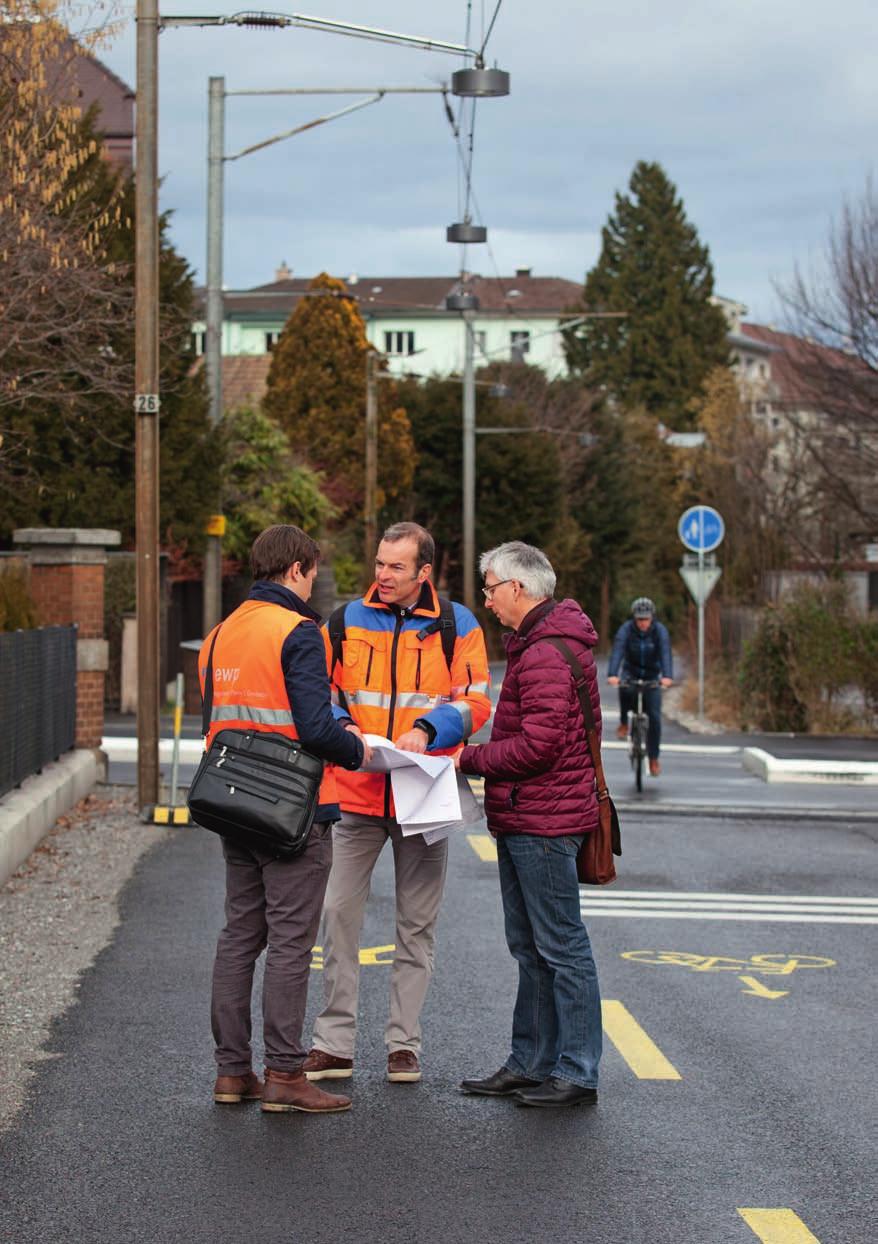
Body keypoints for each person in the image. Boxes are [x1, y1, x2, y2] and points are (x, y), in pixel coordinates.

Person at [303, 521, 491, 1086]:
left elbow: (478, 702)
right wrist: (344, 732)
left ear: (424, 572)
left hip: (423, 795)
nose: (383, 575)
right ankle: (334, 1044)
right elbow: (326, 694)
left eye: (396, 567)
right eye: (380, 564)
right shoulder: (342, 621)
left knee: (417, 925)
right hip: (356, 792)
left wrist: (429, 730)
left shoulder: (458, 626)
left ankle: (402, 1045)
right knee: (337, 915)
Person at [200, 524, 370, 1115]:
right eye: (313, 570)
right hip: (293, 809)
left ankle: (231, 1073)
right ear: (297, 568)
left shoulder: (220, 635)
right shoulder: (298, 631)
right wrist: (360, 749)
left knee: (239, 936)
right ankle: (284, 1075)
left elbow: (215, 724)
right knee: (293, 942)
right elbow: (316, 726)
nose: (314, 580)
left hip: (233, 803)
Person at [455, 541, 603, 1108]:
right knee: (532, 947)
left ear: (517, 588)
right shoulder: (538, 644)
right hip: (530, 816)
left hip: (544, 821)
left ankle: (577, 1070)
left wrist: (466, 760)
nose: (488, 601)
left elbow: (538, 747)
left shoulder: (545, 652)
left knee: (560, 947)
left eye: (491, 588)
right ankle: (533, 1062)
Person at [607, 596, 673, 777]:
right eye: (639, 619)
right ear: (634, 618)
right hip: (632, 673)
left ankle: (653, 759)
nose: (643, 623)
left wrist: (667, 676)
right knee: (624, 688)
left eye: (646, 618)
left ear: (652, 617)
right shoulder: (626, 630)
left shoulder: (659, 631)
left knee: (655, 718)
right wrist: (612, 674)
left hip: (652, 676)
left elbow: (665, 653)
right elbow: (618, 650)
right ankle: (623, 722)